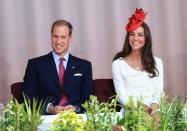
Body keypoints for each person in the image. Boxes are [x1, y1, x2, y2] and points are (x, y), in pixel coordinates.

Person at [23, 20, 93, 114]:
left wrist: (76, 108)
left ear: (70, 38)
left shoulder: (84, 66)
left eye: (63, 37)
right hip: (47, 118)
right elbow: (28, 97)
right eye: (55, 36)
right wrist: (48, 109)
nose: (58, 41)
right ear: (51, 36)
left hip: (77, 118)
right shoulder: (35, 64)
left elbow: (88, 100)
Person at [112, 8, 163, 112]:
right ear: (128, 37)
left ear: (146, 38)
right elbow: (121, 95)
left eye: (140, 35)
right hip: (131, 111)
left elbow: (158, 92)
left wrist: (152, 108)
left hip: (153, 111)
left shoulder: (157, 62)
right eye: (132, 34)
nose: (135, 38)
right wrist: (138, 109)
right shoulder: (118, 64)